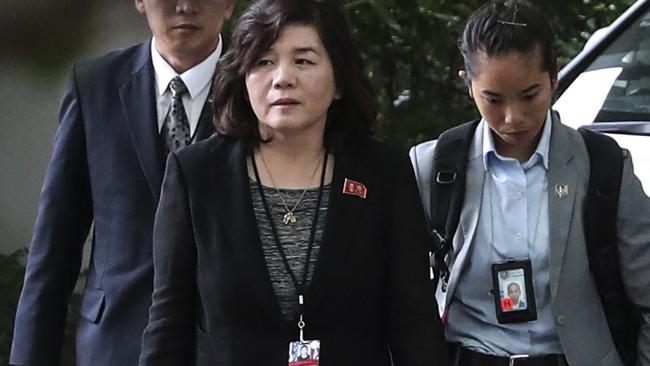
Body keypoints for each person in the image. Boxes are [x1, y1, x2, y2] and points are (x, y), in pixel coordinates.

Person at [138, 0, 450, 365]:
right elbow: (168, 322)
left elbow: (413, 322)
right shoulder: (196, 175)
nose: (282, 77)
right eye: (264, 61)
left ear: (339, 81)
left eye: (303, 60)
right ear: (243, 77)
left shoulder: (383, 174)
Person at [409, 1, 650, 365]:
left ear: (554, 76)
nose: (512, 118)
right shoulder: (433, 168)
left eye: (529, 95)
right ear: (468, 84)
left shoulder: (603, 166)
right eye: (493, 99)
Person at [9, 1, 236, 365]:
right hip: (115, 341)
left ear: (229, 4)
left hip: (224, 345)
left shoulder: (259, 89)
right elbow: (54, 250)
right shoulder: (96, 85)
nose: (185, 7)